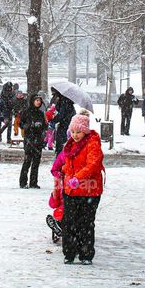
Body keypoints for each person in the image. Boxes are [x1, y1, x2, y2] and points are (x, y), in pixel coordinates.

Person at [59, 110, 105, 265]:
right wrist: (65, 172)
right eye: (73, 131)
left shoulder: (92, 143)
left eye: (78, 132)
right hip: (71, 190)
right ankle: (69, 252)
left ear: (85, 131)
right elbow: (68, 163)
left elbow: (92, 164)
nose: (75, 135)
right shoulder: (70, 145)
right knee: (69, 222)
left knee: (85, 223)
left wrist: (77, 178)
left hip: (89, 190)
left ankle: (85, 253)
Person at [20, 93, 48, 188]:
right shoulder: (26, 112)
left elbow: (45, 125)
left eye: (40, 101)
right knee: (27, 161)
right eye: (37, 100)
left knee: (36, 162)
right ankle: (23, 182)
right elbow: (21, 124)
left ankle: (33, 182)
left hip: (38, 140)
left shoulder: (41, 113)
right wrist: (28, 126)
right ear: (32, 101)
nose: (38, 102)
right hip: (29, 139)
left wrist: (42, 130)